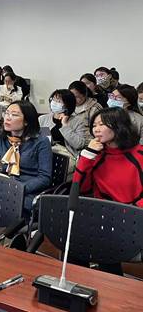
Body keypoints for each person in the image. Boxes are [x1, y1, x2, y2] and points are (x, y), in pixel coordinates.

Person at [72, 107, 143, 275]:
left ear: (119, 126)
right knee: (74, 240)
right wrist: (87, 157)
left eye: (102, 124)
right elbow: (79, 189)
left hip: (134, 216)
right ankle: (82, 282)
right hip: (104, 216)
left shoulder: (139, 154)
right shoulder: (95, 154)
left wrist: (129, 212)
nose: (96, 129)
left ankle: (111, 284)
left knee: (105, 243)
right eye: (94, 125)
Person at [0, 101, 52, 212]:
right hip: (4, 185)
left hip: (28, 190)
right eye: (7, 113)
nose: (8, 118)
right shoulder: (2, 139)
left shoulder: (41, 141)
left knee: (6, 204)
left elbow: (44, 178)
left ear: (26, 121)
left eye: (14, 115)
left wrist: (18, 188)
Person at [38, 89, 89, 161]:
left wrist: (64, 125)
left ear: (67, 105)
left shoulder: (78, 121)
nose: (54, 103)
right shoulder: (43, 119)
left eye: (59, 101)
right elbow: (40, 140)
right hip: (46, 155)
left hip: (67, 159)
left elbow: (79, 145)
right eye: (53, 100)